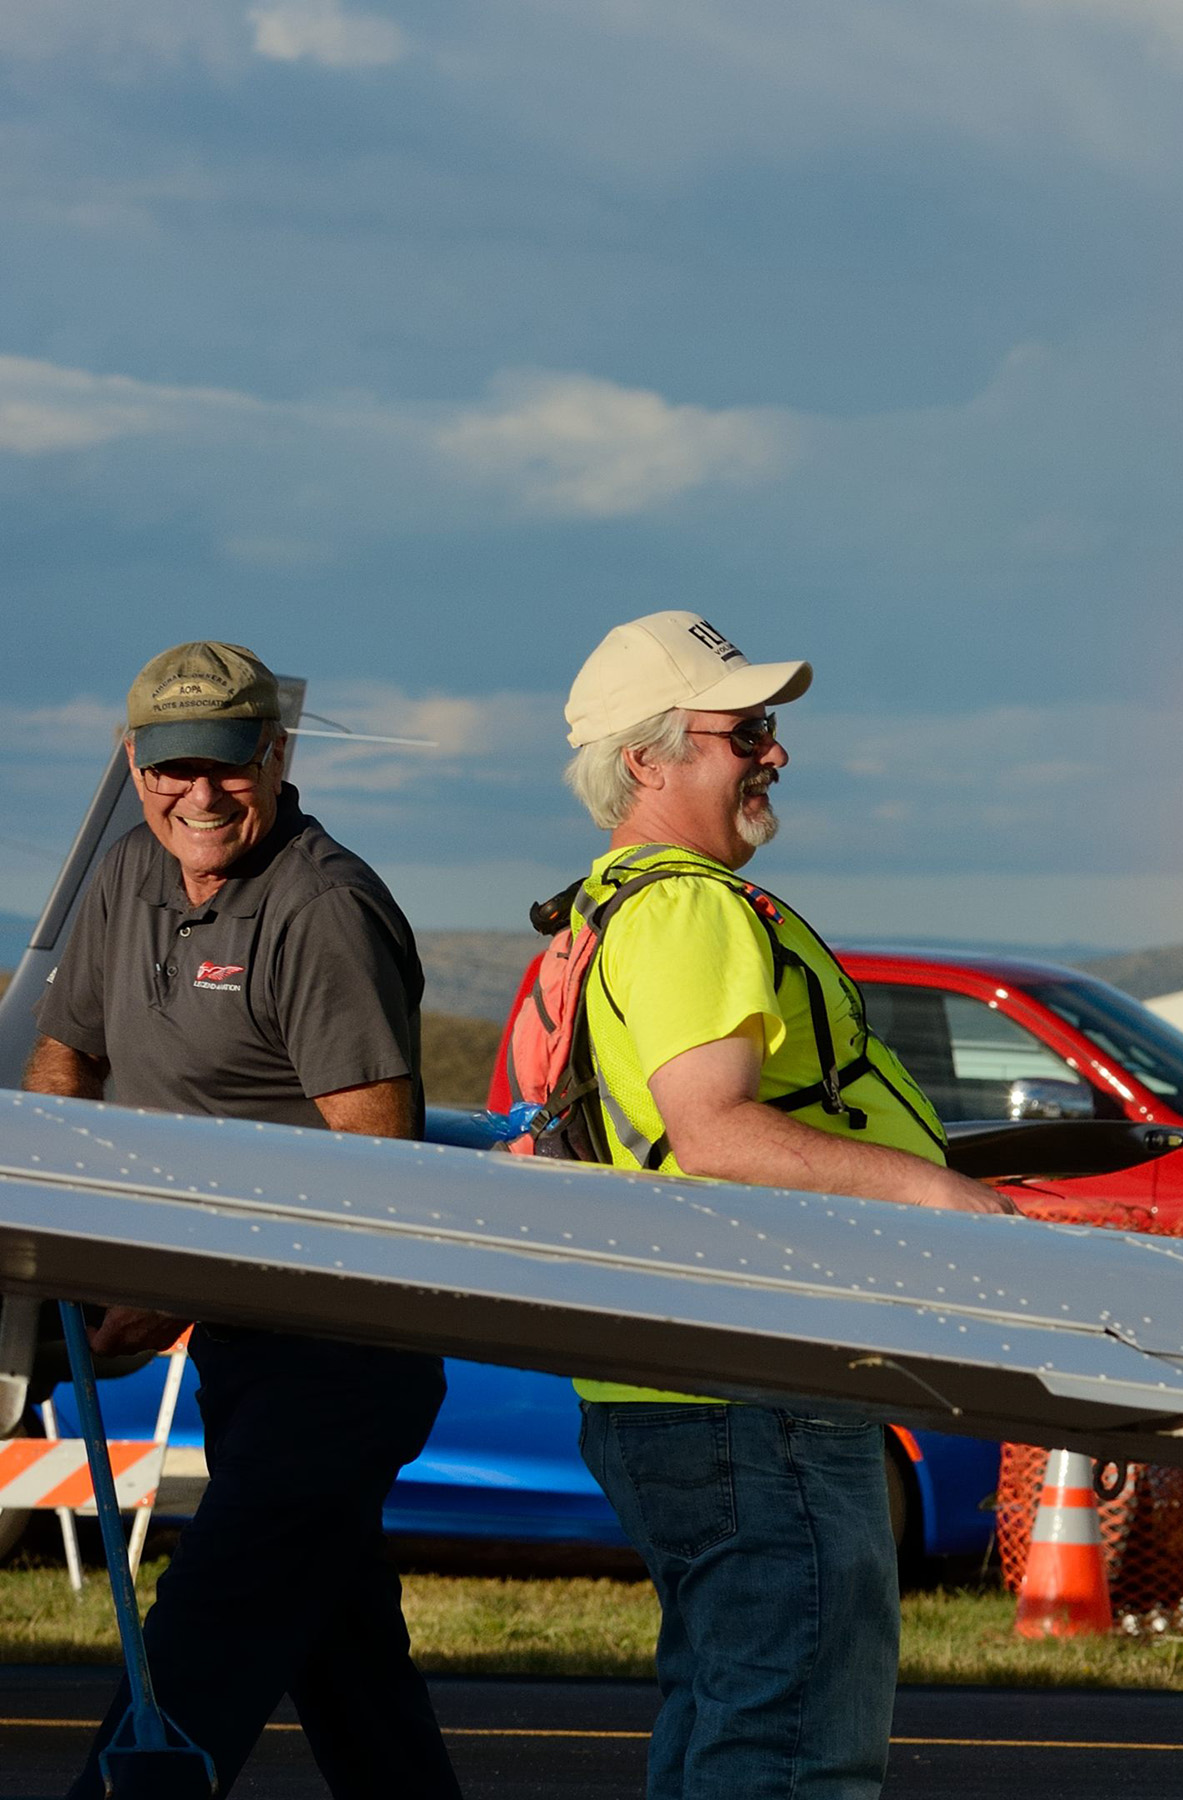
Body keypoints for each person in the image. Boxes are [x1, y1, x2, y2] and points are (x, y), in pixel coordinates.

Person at [553, 610, 1011, 1800]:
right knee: (796, 1745)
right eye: (744, 728)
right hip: (753, 1385)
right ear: (647, 759)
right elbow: (712, 1128)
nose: (775, 751)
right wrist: (936, 1193)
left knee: (721, 1710)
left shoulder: (606, 906)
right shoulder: (691, 907)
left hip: (667, 1374)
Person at [25, 640, 460, 1800]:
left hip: (341, 1358)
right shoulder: (130, 871)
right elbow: (68, 1051)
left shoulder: (322, 910)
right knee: (347, 1661)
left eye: (228, 766)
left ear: (275, 755)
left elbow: (377, 1181)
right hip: (244, 1349)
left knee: (202, 1639)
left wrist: (170, 1289)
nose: (201, 796)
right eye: (173, 770)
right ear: (135, 763)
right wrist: (72, 1243)